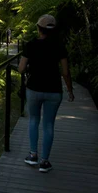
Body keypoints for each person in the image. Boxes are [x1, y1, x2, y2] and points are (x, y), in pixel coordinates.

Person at [17, 14, 74, 173]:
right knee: (48, 125)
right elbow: (65, 72)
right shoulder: (60, 46)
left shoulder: (31, 45)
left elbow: (21, 69)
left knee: (34, 120)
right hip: (54, 91)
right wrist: (69, 90)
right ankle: (44, 162)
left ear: (38, 28)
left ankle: (32, 155)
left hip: (34, 89)